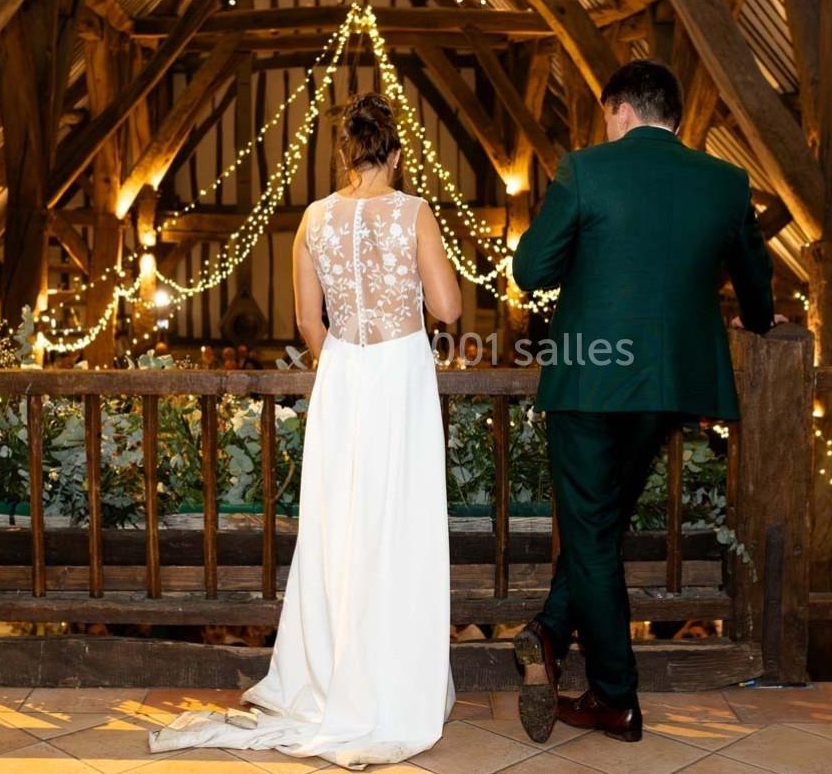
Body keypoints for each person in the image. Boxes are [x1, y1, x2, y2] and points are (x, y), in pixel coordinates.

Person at [148, 93, 463, 769]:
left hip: (343, 381)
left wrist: (347, 366)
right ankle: (393, 687)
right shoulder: (415, 212)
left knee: (340, 531)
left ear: (343, 153)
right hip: (401, 380)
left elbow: (306, 321)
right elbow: (447, 305)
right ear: (398, 153)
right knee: (399, 526)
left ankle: (330, 674)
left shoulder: (313, 219)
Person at [510, 59, 775, 743]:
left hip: (589, 377)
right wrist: (757, 319)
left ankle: (616, 698)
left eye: (607, 113)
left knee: (592, 532)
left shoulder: (585, 170)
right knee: (600, 526)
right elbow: (755, 282)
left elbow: (531, 270)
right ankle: (545, 632)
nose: (606, 124)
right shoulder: (724, 182)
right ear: (675, 117)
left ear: (620, 108)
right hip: (669, 387)